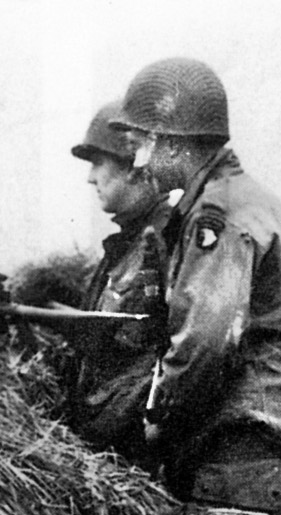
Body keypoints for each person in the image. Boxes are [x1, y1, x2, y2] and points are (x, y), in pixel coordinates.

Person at [110, 57, 281, 515]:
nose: (139, 164)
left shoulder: (219, 215)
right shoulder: (236, 200)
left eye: (139, 146)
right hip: (259, 427)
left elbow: (205, 338)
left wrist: (158, 416)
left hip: (244, 436)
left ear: (173, 144)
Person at [59, 99, 173, 464]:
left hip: (134, 458)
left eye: (97, 162)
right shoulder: (125, 247)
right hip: (106, 450)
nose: (90, 177)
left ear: (133, 167)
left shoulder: (166, 241)